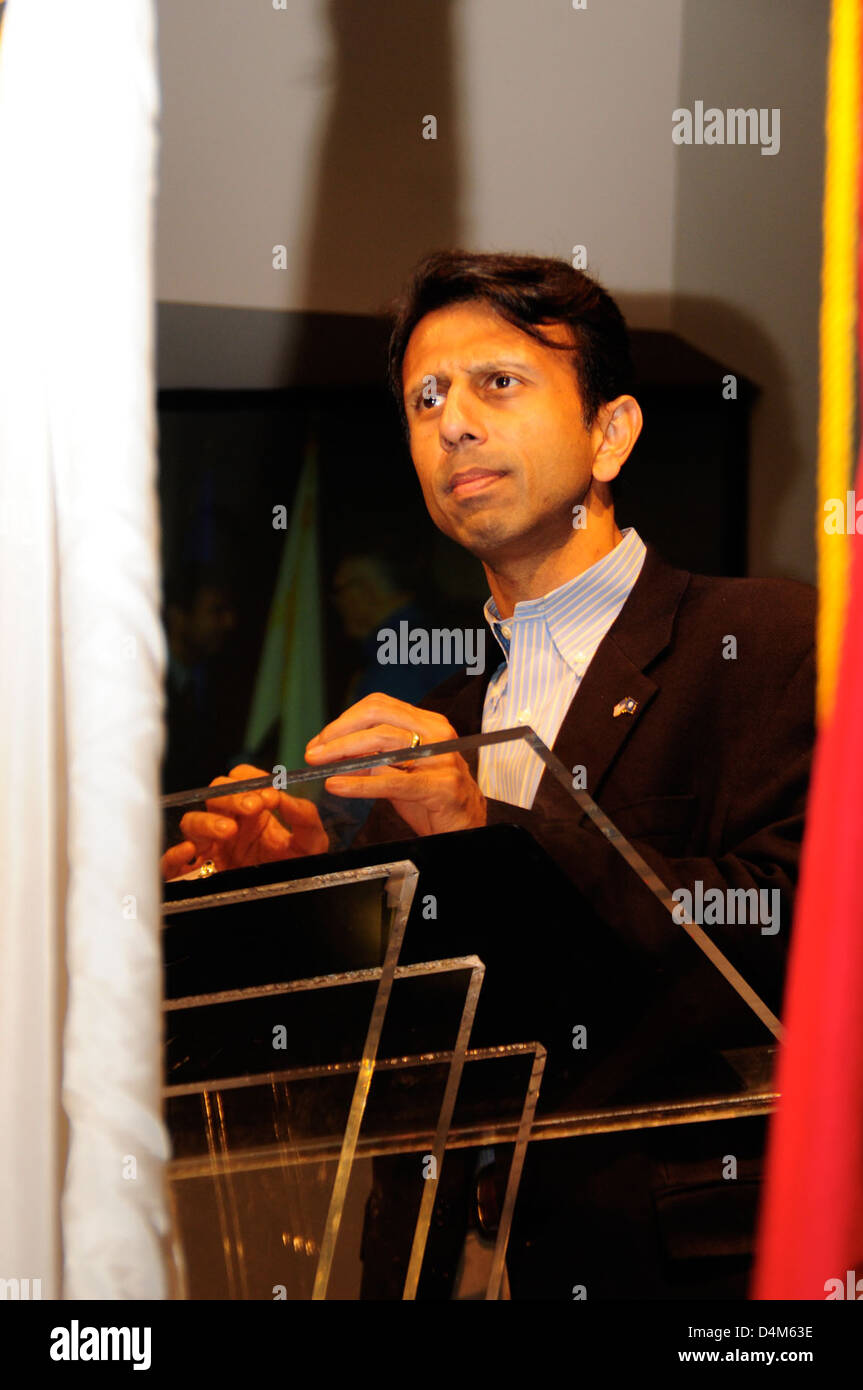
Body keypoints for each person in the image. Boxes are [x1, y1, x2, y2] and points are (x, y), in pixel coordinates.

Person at [160, 251, 815, 1298]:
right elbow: (395, 1048)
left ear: (610, 433)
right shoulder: (448, 725)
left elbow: (793, 940)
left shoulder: (770, 640)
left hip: (670, 1265)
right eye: (425, 398)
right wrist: (283, 902)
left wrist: (493, 819)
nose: (451, 422)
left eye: (495, 383)